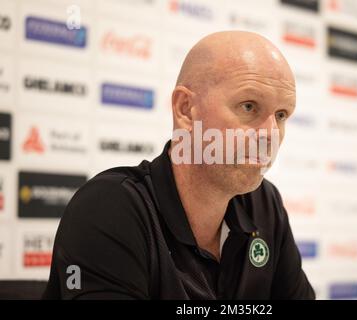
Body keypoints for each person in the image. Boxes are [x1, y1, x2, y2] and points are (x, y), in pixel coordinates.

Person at [43, 30, 315, 299]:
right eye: (248, 107)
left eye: (281, 115)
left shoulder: (264, 205)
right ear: (185, 109)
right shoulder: (109, 209)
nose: (270, 135)